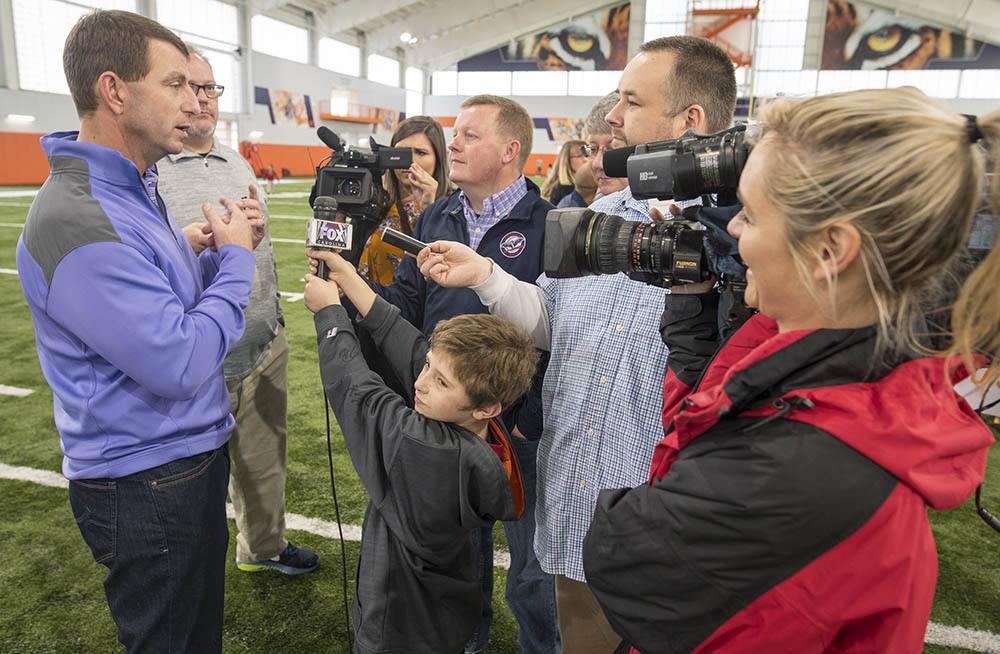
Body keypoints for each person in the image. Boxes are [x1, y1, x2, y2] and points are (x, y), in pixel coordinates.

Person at [582, 89, 997, 653]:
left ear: (830, 251)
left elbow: (628, 556)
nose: (732, 233)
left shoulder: (803, 459)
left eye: (750, 214)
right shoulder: (843, 368)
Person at [416, 36, 738, 654]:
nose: (612, 118)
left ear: (688, 121)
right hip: (574, 491)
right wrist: (486, 277)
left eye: (630, 101)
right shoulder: (601, 215)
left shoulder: (741, 235)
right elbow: (551, 322)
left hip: (667, 516)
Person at [14, 10, 261, 652]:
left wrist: (202, 252)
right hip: (150, 480)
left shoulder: (129, 185)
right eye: (175, 83)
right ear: (115, 91)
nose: (195, 100)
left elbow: (155, 302)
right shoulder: (81, 216)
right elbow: (179, 361)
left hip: (168, 466)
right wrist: (234, 258)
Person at [367, 95, 559, 654]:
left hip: (516, 426)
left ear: (509, 149)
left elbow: (561, 337)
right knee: (456, 555)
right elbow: (406, 302)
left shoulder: (549, 226)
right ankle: (469, 640)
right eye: (456, 135)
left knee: (530, 568)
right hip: (447, 421)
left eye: (469, 136)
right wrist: (349, 285)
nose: (455, 145)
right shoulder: (437, 215)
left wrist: (530, 421)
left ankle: (540, 646)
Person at [302, 248, 539, 654]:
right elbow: (411, 346)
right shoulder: (479, 427)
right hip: (442, 614)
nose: (422, 383)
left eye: (441, 381)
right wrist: (350, 282)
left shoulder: (425, 448)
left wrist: (329, 315)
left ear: (487, 407)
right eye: (429, 366)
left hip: (398, 626)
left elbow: (358, 393)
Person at [157, 48, 319, 576]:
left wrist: (257, 234)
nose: (201, 100)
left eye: (209, 89)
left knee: (265, 459)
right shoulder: (151, 169)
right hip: (199, 350)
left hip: (262, 338)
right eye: (189, 87)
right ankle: (187, 570)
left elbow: (255, 246)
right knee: (192, 475)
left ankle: (263, 549)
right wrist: (193, 245)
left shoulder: (235, 160)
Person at [359, 115, 452, 283]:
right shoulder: (376, 203)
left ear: (437, 159)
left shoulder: (455, 206)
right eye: (402, 153)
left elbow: (449, 265)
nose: (410, 162)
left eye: (421, 153)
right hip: (369, 302)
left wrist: (430, 207)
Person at [584, 91, 628, 200]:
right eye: (593, 149)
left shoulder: (668, 211)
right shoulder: (599, 205)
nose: (597, 164)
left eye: (611, 150)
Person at [540, 139, 586, 206]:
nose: (585, 159)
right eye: (579, 156)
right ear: (566, 160)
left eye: (586, 155)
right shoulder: (565, 188)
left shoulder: (581, 184)